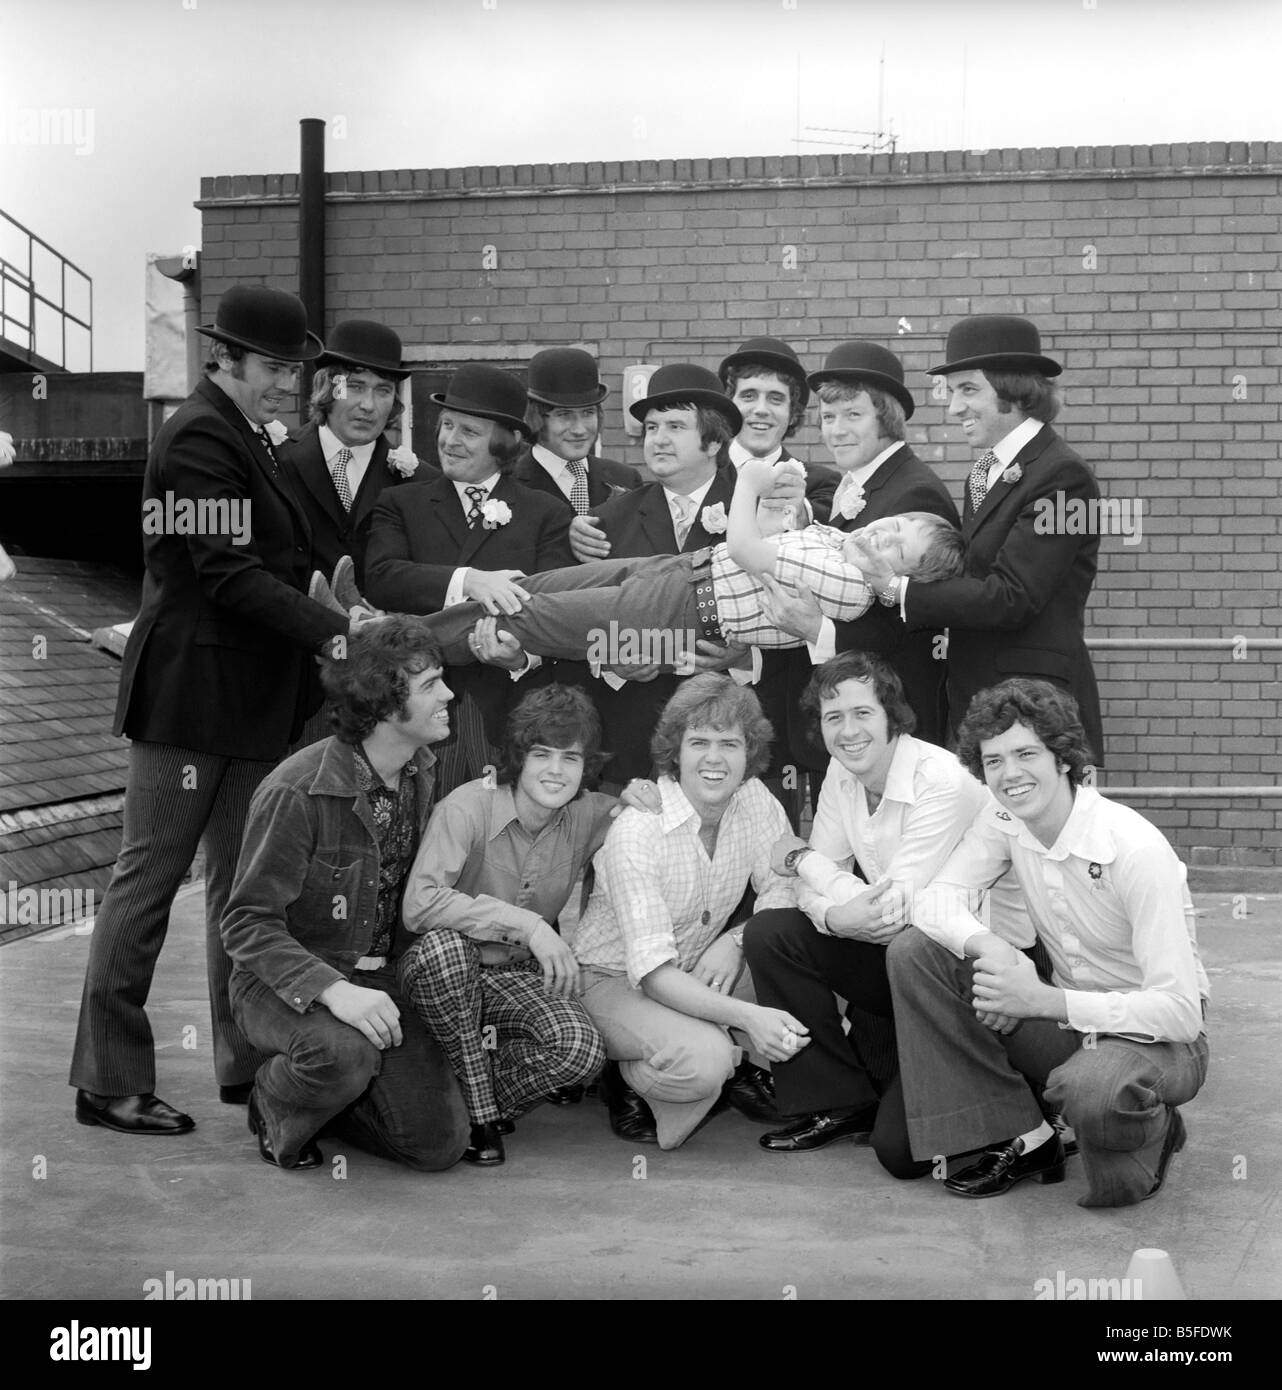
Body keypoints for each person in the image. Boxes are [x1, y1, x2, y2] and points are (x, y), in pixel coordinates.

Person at [70, 285, 354, 1135]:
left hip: (251, 706)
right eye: (273, 368)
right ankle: (108, 1081)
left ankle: (245, 1061)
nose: (289, 386)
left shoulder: (249, 439)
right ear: (222, 358)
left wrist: (325, 607)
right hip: (192, 703)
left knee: (240, 892)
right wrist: (335, 635)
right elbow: (225, 573)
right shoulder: (196, 434)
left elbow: (271, 561)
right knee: (148, 884)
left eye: (296, 372)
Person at [882, 679, 1209, 1206]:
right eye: (993, 761)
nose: (1010, 774)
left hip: (1158, 1039)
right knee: (916, 951)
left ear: (1062, 757)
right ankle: (1025, 1134)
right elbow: (935, 900)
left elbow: (1180, 1012)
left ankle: (1154, 1124)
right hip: (1065, 1023)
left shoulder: (1135, 849)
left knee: (1095, 1102)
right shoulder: (1005, 819)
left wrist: (1042, 1000)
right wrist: (991, 948)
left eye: (1026, 753)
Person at [219, 617, 469, 1172]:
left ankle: (335, 1102)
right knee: (342, 1056)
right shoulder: (296, 789)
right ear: (383, 704)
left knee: (437, 1146)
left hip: (381, 978)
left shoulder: (422, 772)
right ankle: (275, 1100)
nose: (448, 694)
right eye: (430, 685)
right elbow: (246, 924)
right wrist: (336, 991)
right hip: (285, 984)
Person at [742, 651, 990, 1154]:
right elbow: (825, 891)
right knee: (771, 932)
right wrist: (836, 917)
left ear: (891, 715)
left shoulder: (942, 780)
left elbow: (893, 907)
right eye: (834, 717)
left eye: (862, 713)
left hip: (951, 966)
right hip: (885, 947)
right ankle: (837, 1100)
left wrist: (800, 858)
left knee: (902, 1150)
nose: (848, 731)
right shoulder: (842, 770)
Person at [398, 454, 964, 672]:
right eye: (894, 523)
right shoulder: (838, 544)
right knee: (538, 584)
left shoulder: (850, 584)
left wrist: (748, 482)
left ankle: (388, 647)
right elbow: (778, 532)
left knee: (531, 613)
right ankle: (386, 627)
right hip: (681, 571)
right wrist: (785, 504)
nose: (884, 531)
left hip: (681, 608)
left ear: (897, 586)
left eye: (898, 548)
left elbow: (745, 547)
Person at [849, 315, 1105, 762]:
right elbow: (972, 577)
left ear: (1015, 391)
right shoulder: (984, 473)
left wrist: (895, 587)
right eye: (952, 392)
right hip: (983, 706)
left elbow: (1014, 596)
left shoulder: (1067, 478)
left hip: (1038, 712)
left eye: (968, 390)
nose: (953, 408)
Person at [571, 675, 808, 1149]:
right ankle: (630, 1074)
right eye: (699, 742)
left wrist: (736, 941)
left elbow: (787, 886)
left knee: (811, 957)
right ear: (674, 751)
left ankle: (726, 1046)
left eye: (729, 743)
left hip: (699, 965)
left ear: (750, 753)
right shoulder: (640, 829)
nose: (714, 758)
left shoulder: (754, 799)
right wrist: (748, 1017)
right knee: (704, 1064)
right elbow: (655, 974)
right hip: (615, 980)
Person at [396, 685, 613, 1166]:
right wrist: (529, 925)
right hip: (441, 976)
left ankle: (463, 1086)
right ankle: (480, 1118)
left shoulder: (589, 814)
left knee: (580, 1051)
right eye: (542, 754)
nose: (556, 771)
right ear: (519, 756)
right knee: (446, 951)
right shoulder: (467, 806)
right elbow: (420, 905)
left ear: (586, 766)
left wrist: (648, 793)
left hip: (512, 979)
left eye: (570, 758)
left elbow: (652, 812)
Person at [363, 364, 576, 796]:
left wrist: (521, 658)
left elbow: (557, 610)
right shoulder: (402, 502)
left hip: (505, 714)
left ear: (503, 442)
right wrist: (470, 580)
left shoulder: (547, 513)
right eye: (446, 426)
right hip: (408, 717)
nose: (450, 441)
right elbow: (383, 578)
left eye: (469, 431)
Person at [756, 342, 960, 749]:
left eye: (853, 415)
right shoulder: (855, 485)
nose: (836, 429)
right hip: (853, 712)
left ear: (887, 418)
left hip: (894, 722)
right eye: (828, 416)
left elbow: (900, 618)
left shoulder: (915, 494)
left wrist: (815, 627)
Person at [561, 363, 743, 790]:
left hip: (728, 743)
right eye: (651, 426)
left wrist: (745, 653)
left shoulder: (754, 514)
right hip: (631, 742)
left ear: (714, 440)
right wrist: (610, 658)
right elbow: (583, 620)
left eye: (676, 426)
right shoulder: (607, 522)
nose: (658, 439)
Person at [279, 319, 416, 591]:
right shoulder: (276, 460)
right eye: (354, 386)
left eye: (383, 390)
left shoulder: (416, 479)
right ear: (330, 387)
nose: (368, 405)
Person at [513, 347, 638, 513]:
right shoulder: (509, 485)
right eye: (564, 415)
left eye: (588, 413)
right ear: (537, 418)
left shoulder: (626, 478)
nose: (579, 429)